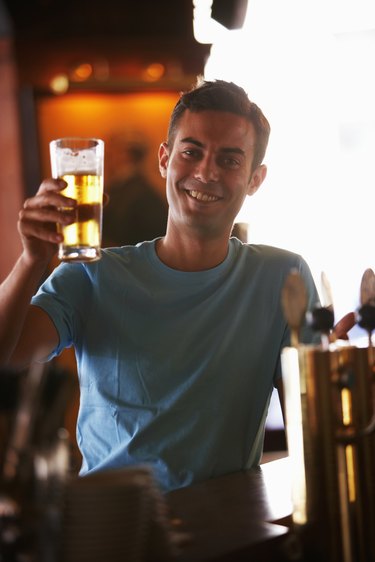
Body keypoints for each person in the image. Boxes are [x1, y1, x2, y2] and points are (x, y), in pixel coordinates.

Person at [0, 78, 353, 492]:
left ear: (255, 179)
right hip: (114, 531)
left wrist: (341, 378)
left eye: (230, 160)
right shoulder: (91, 273)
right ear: (165, 160)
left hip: (231, 530)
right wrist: (31, 261)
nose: (206, 172)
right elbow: (7, 356)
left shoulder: (283, 276)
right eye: (192, 152)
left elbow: (313, 422)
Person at [102, 133, 168, 247]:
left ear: (127, 155)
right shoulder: (116, 188)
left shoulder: (143, 195)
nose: (107, 157)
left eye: (113, 151)